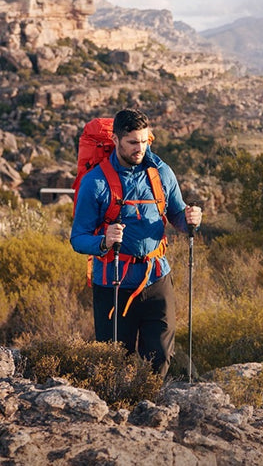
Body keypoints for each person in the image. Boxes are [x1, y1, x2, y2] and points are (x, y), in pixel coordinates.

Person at [71, 108, 202, 378]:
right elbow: (78, 238)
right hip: (113, 283)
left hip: (157, 277)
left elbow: (177, 215)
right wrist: (104, 242)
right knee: (114, 362)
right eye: (132, 142)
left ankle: (150, 401)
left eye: (144, 141)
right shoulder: (95, 182)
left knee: (161, 354)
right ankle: (119, 404)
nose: (140, 148)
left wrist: (190, 219)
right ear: (116, 140)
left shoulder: (161, 172)